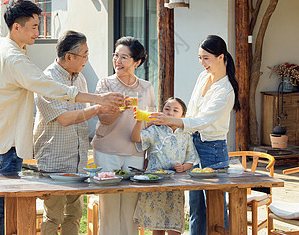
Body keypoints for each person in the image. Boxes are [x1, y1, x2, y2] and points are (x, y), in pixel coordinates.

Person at [0, 0, 123, 235]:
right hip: (5, 142)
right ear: (16, 27)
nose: (38, 32)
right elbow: (47, 86)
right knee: (0, 207)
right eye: (33, 26)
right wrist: (99, 100)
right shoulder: (15, 58)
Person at [150, 35, 240, 235]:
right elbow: (192, 112)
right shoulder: (203, 77)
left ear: (220, 57)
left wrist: (170, 121)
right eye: (200, 58)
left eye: (205, 58)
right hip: (194, 145)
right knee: (195, 208)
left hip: (213, 150)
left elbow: (202, 121)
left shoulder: (226, 91)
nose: (202, 63)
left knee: (216, 209)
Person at [33, 30, 115, 235]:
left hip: (77, 160)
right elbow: (65, 119)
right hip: (55, 161)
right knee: (53, 217)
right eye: (84, 54)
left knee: (74, 215)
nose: (87, 59)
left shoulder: (80, 79)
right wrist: (98, 107)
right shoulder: (47, 80)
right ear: (69, 56)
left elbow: (82, 115)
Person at [92, 36, 156, 235]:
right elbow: (103, 118)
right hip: (107, 151)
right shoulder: (105, 84)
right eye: (115, 56)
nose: (117, 61)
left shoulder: (146, 87)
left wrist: (150, 155)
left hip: (135, 152)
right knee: (109, 208)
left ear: (137, 62)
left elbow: (151, 123)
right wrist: (120, 108)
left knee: (130, 209)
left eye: (124, 57)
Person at [131, 97, 198, 235]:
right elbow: (136, 138)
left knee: (174, 225)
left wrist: (183, 167)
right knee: (158, 225)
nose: (170, 113)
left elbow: (191, 159)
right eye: (167, 109)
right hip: (155, 182)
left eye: (175, 110)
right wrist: (139, 122)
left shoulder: (185, 134)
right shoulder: (155, 130)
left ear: (183, 116)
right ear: (161, 112)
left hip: (176, 185)